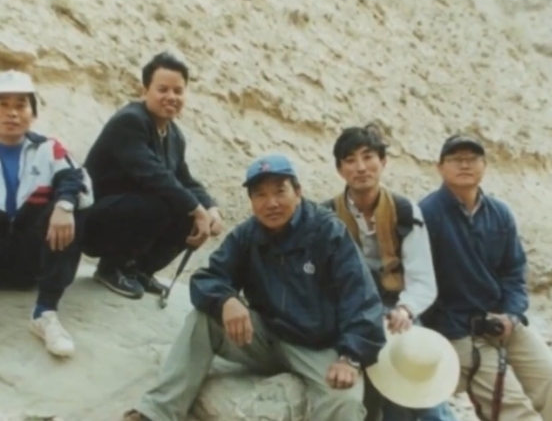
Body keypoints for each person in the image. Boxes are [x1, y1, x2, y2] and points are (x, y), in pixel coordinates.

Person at [122, 153, 386, 421]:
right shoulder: (248, 234)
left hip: (318, 348)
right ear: (252, 201)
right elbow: (207, 278)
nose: (271, 203)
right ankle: (156, 412)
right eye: (260, 195)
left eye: (280, 191)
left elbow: (362, 299)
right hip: (266, 337)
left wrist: (350, 357)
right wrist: (226, 300)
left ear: (298, 192)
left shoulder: (328, 232)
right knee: (205, 319)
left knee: (345, 402)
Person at [322, 123, 457, 421]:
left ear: (383, 162)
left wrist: (406, 309)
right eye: (350, 160)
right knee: (375, 396)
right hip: (352, 315)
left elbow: (422, 278)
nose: (361, 167)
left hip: (397, 312)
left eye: (368, 157)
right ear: (340, 169)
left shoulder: (404, 211)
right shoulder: (327, 217)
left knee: (417, 382)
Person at [419, 134, 552, 421]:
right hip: (461, 331)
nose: (465, 165)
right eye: (456, 159)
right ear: (440, 167)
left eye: (472, 159)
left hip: (505, 323)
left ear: (485, 165)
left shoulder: (499, 213)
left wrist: (512, 315)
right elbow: (420, 283)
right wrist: (456, 329)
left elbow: (514, 272)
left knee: (548, 379)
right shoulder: (427, 215)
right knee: (513, 408)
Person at [82, 52, 223, 300]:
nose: (171, 97)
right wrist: (196, 208)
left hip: (129, 212)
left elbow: (184, 179)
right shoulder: (129, 122)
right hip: (94, 220)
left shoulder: (174, 135)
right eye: (162, 89)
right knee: (164, 203)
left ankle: (140, 270)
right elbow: (154, 176)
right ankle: (111, 267)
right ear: (144, 91)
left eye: (178, 91)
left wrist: (211, 208)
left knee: (185, 209)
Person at [0, 70, 93, 357]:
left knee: (70, 206)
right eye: (3, 105)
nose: (11, 113)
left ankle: (44, 312)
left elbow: (77, 179)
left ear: (33, 113)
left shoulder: (49, 148)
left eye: (20, 105)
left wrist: (64, 205)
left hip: (30, 262)